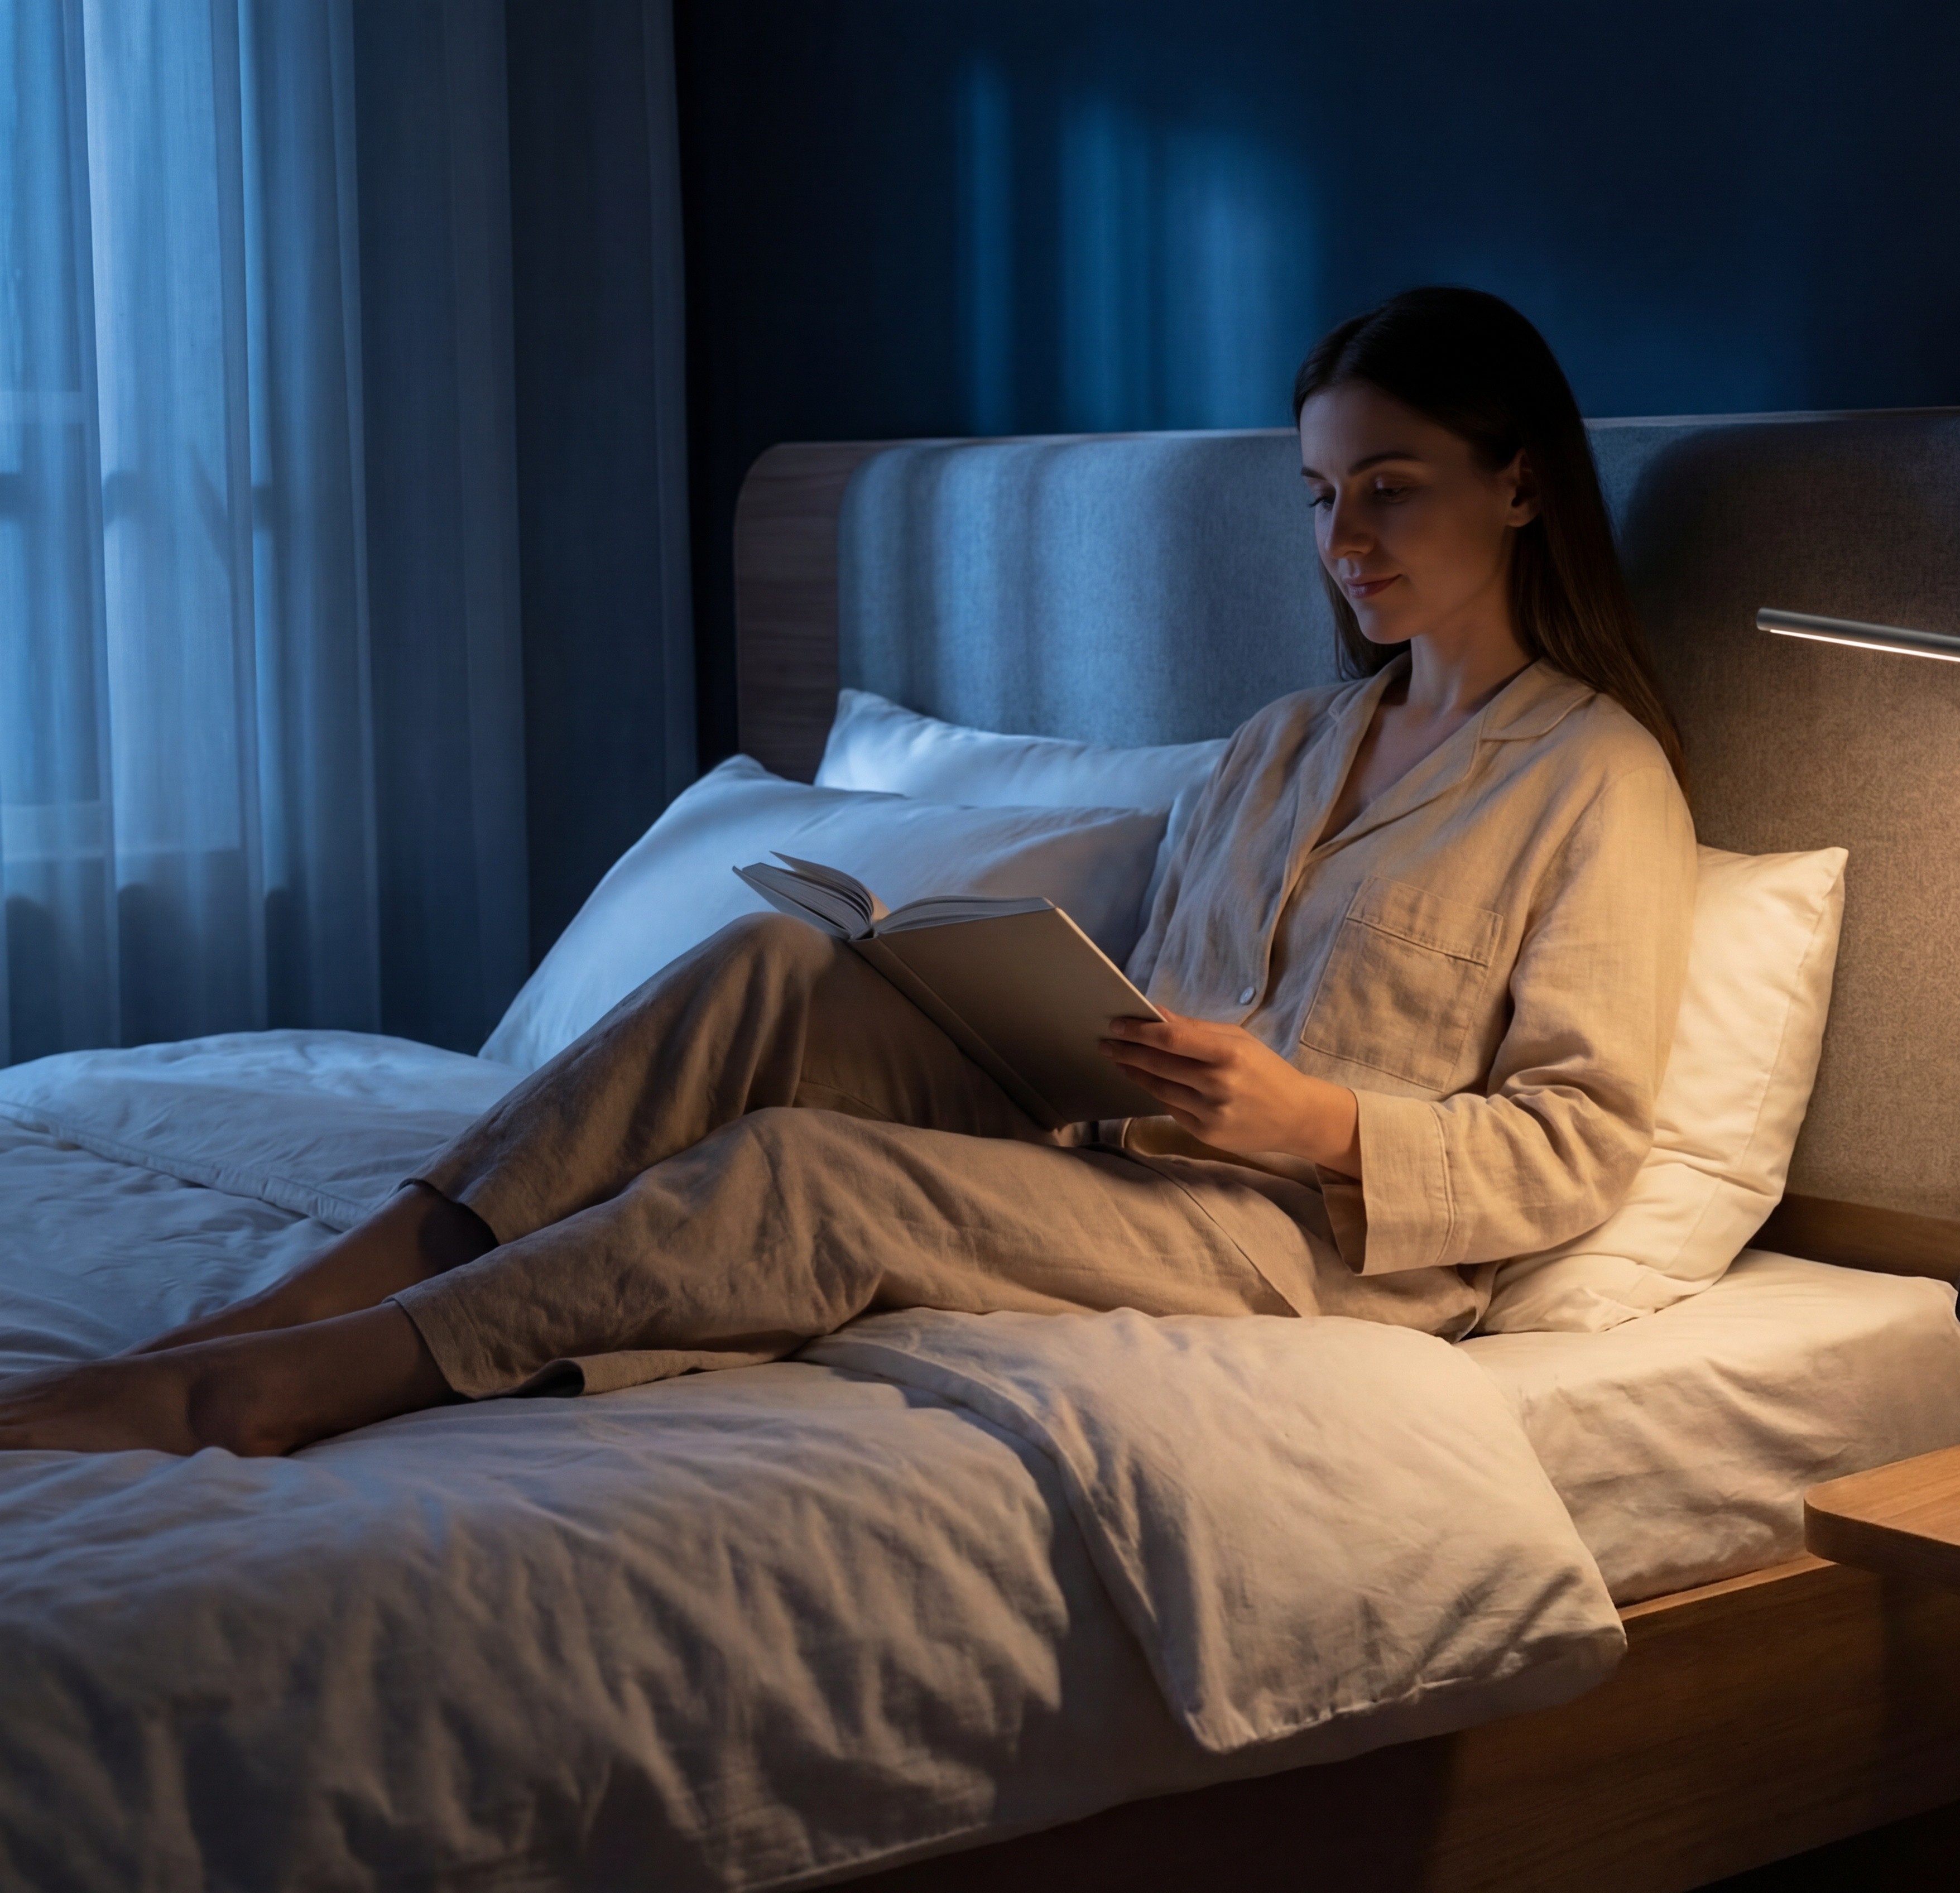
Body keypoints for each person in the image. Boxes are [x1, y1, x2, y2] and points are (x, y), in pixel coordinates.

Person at [0, 286, 1698, 1457]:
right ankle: (276, 1312)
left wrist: (1320, 1126)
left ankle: (287, 1387)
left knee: (802, 1177)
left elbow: (1584, 1142)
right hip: (1125, 1145)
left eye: (1389, 491)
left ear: (1524, 482)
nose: (1345, 541)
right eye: (1323, 495)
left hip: (1310, 1242)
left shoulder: (1594, 782)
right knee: (774, 968)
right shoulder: (1282, 744)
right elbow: (1154, 997)